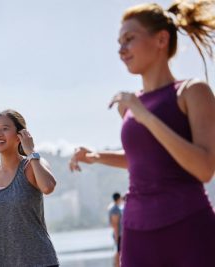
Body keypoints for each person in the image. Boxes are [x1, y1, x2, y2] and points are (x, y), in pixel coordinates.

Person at [69, 1, 215, 266]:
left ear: (161, 39)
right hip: (137, 231)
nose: (121, 50)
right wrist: (97, 155)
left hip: (188, 225)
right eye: (119, 42)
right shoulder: (129, 106)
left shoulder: (193, 92)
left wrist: (145, 116)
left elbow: (205, 168)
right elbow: (147, 159)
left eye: (129, 39)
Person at [0, 109, 59, 267]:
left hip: (40, 262)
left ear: (20, 135)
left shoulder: (33, 164)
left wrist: (31, 152)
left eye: (5, 128)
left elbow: (48, 187)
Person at [108, 192, 123, 267]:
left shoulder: (115, 207)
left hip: (118, 234)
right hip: (118, 234)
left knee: (119, 251)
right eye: (120, 198)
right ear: (118, 198)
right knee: (118, 252)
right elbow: (115, 224)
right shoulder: (115, 209)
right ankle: (117, 265)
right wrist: (117, 237)